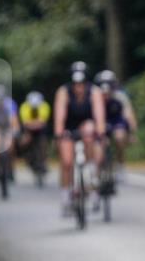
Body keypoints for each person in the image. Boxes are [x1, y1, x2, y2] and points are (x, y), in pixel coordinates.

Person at [53, 62, 105, 215]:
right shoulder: (63, 92)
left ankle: (91, 181)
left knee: (89, 131)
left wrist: (100, 132)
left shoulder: (94, 92)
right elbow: (59, 116)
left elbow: (99, 115)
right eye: (75, 84)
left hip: (86, 125)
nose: (78, 87)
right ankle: (65, 196)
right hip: (69, 128)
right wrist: (59, 133)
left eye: (81, 84)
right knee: (67, 161)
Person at [94, 70, 138, 176]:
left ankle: (121, 164)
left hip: (117, 121)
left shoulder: (120, 96)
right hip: (101, 121)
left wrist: (132, 133)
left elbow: (128, 114)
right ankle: (97, 169)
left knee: (119, 138)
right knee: (100, 144)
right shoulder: (95, 97)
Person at [19, 91, 51, 177]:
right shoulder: (24, 107)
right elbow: (25, 123)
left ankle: (44, 162)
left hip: (41, 130)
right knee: (24, 141)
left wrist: (33, 123)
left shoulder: (44, 106)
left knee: (43, 144)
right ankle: (27, 158)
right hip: (28, 129)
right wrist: (35, 124)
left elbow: (42, 122)